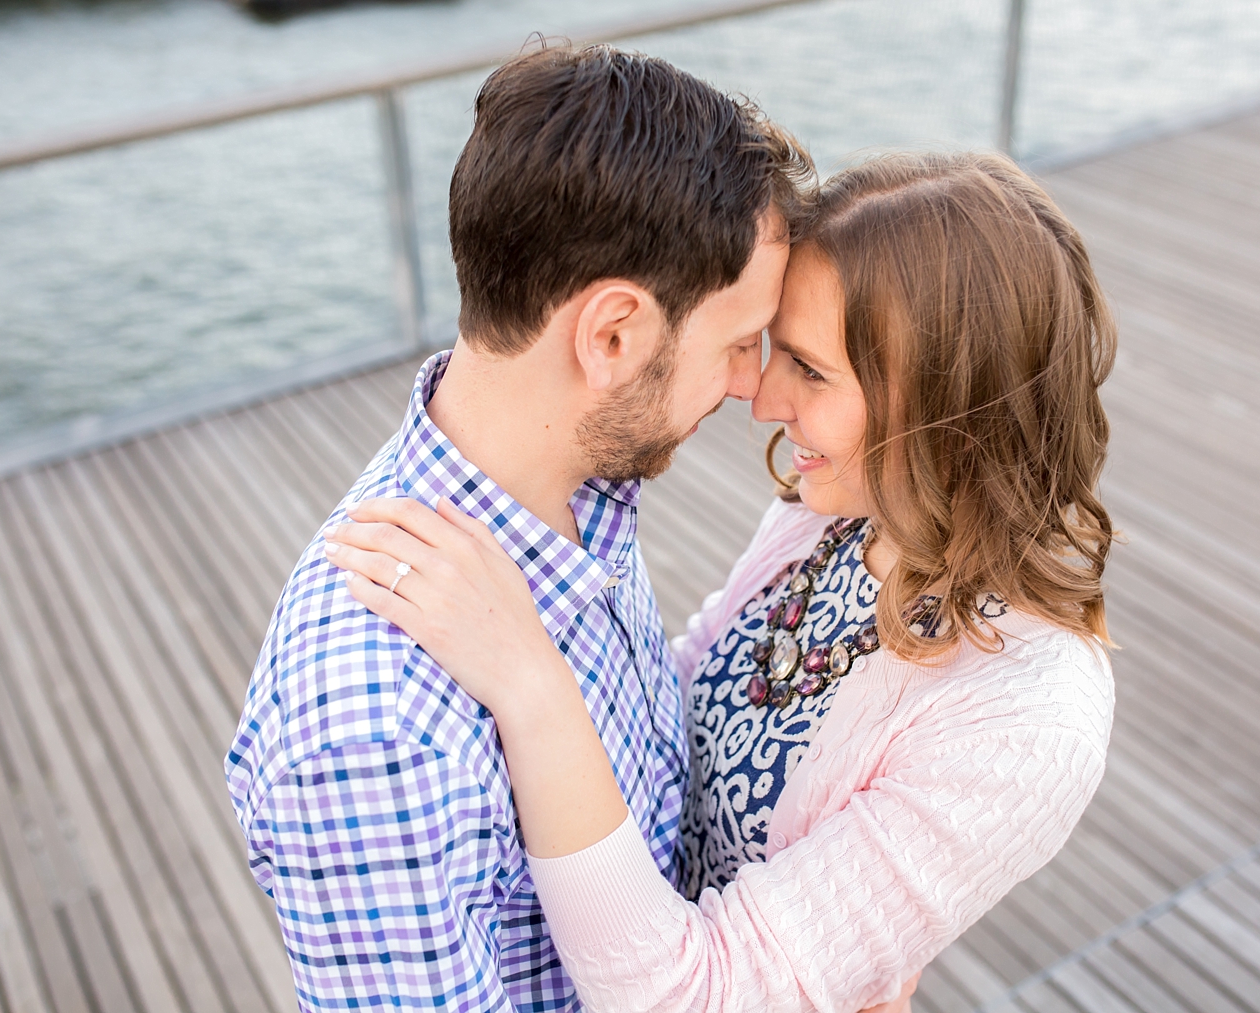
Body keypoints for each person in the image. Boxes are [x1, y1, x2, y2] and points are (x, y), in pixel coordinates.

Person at [325, 151, 1119, 1012]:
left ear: (942, 404)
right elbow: (687, 690)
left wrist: (530, 684)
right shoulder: (829, 513)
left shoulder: (1027, 713)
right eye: (770, 347)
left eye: (810, 370)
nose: (762, 395)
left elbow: (686, 997)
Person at [224, 44, 813, 1011]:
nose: (753, 387)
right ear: (612, 335)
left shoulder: (575, 484)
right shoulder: (379, 737)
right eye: (739, 343)